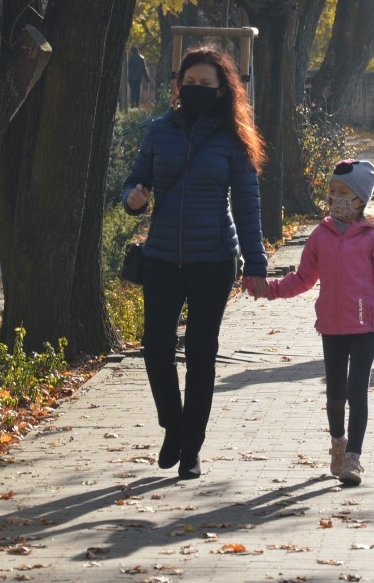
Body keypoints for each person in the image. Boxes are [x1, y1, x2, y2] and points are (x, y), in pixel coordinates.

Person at [122, 44, 269, 479]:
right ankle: (174, 425)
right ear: (178, 84)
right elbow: (137, 179)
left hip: (215, 259)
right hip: (163, 255)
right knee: (156, 347)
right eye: (190, 82)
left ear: (223, 90)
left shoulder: (233, 140)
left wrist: (256, 264)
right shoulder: (158, 131)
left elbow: (247, 205)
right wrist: (133, 198)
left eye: (207, 84)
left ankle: (193, 449)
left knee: (202, 353)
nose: (197, 89)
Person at [249, 159, 374, 486]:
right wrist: (270, 291)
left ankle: (353, 459)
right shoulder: (321, 235)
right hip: (331, 327)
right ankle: (338, 443)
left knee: (356, 391)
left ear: (360, 199)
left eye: (343, 192)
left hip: (365, 326)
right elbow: (303, 278)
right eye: (332, 192)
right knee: (335, 394)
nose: (335, 198)